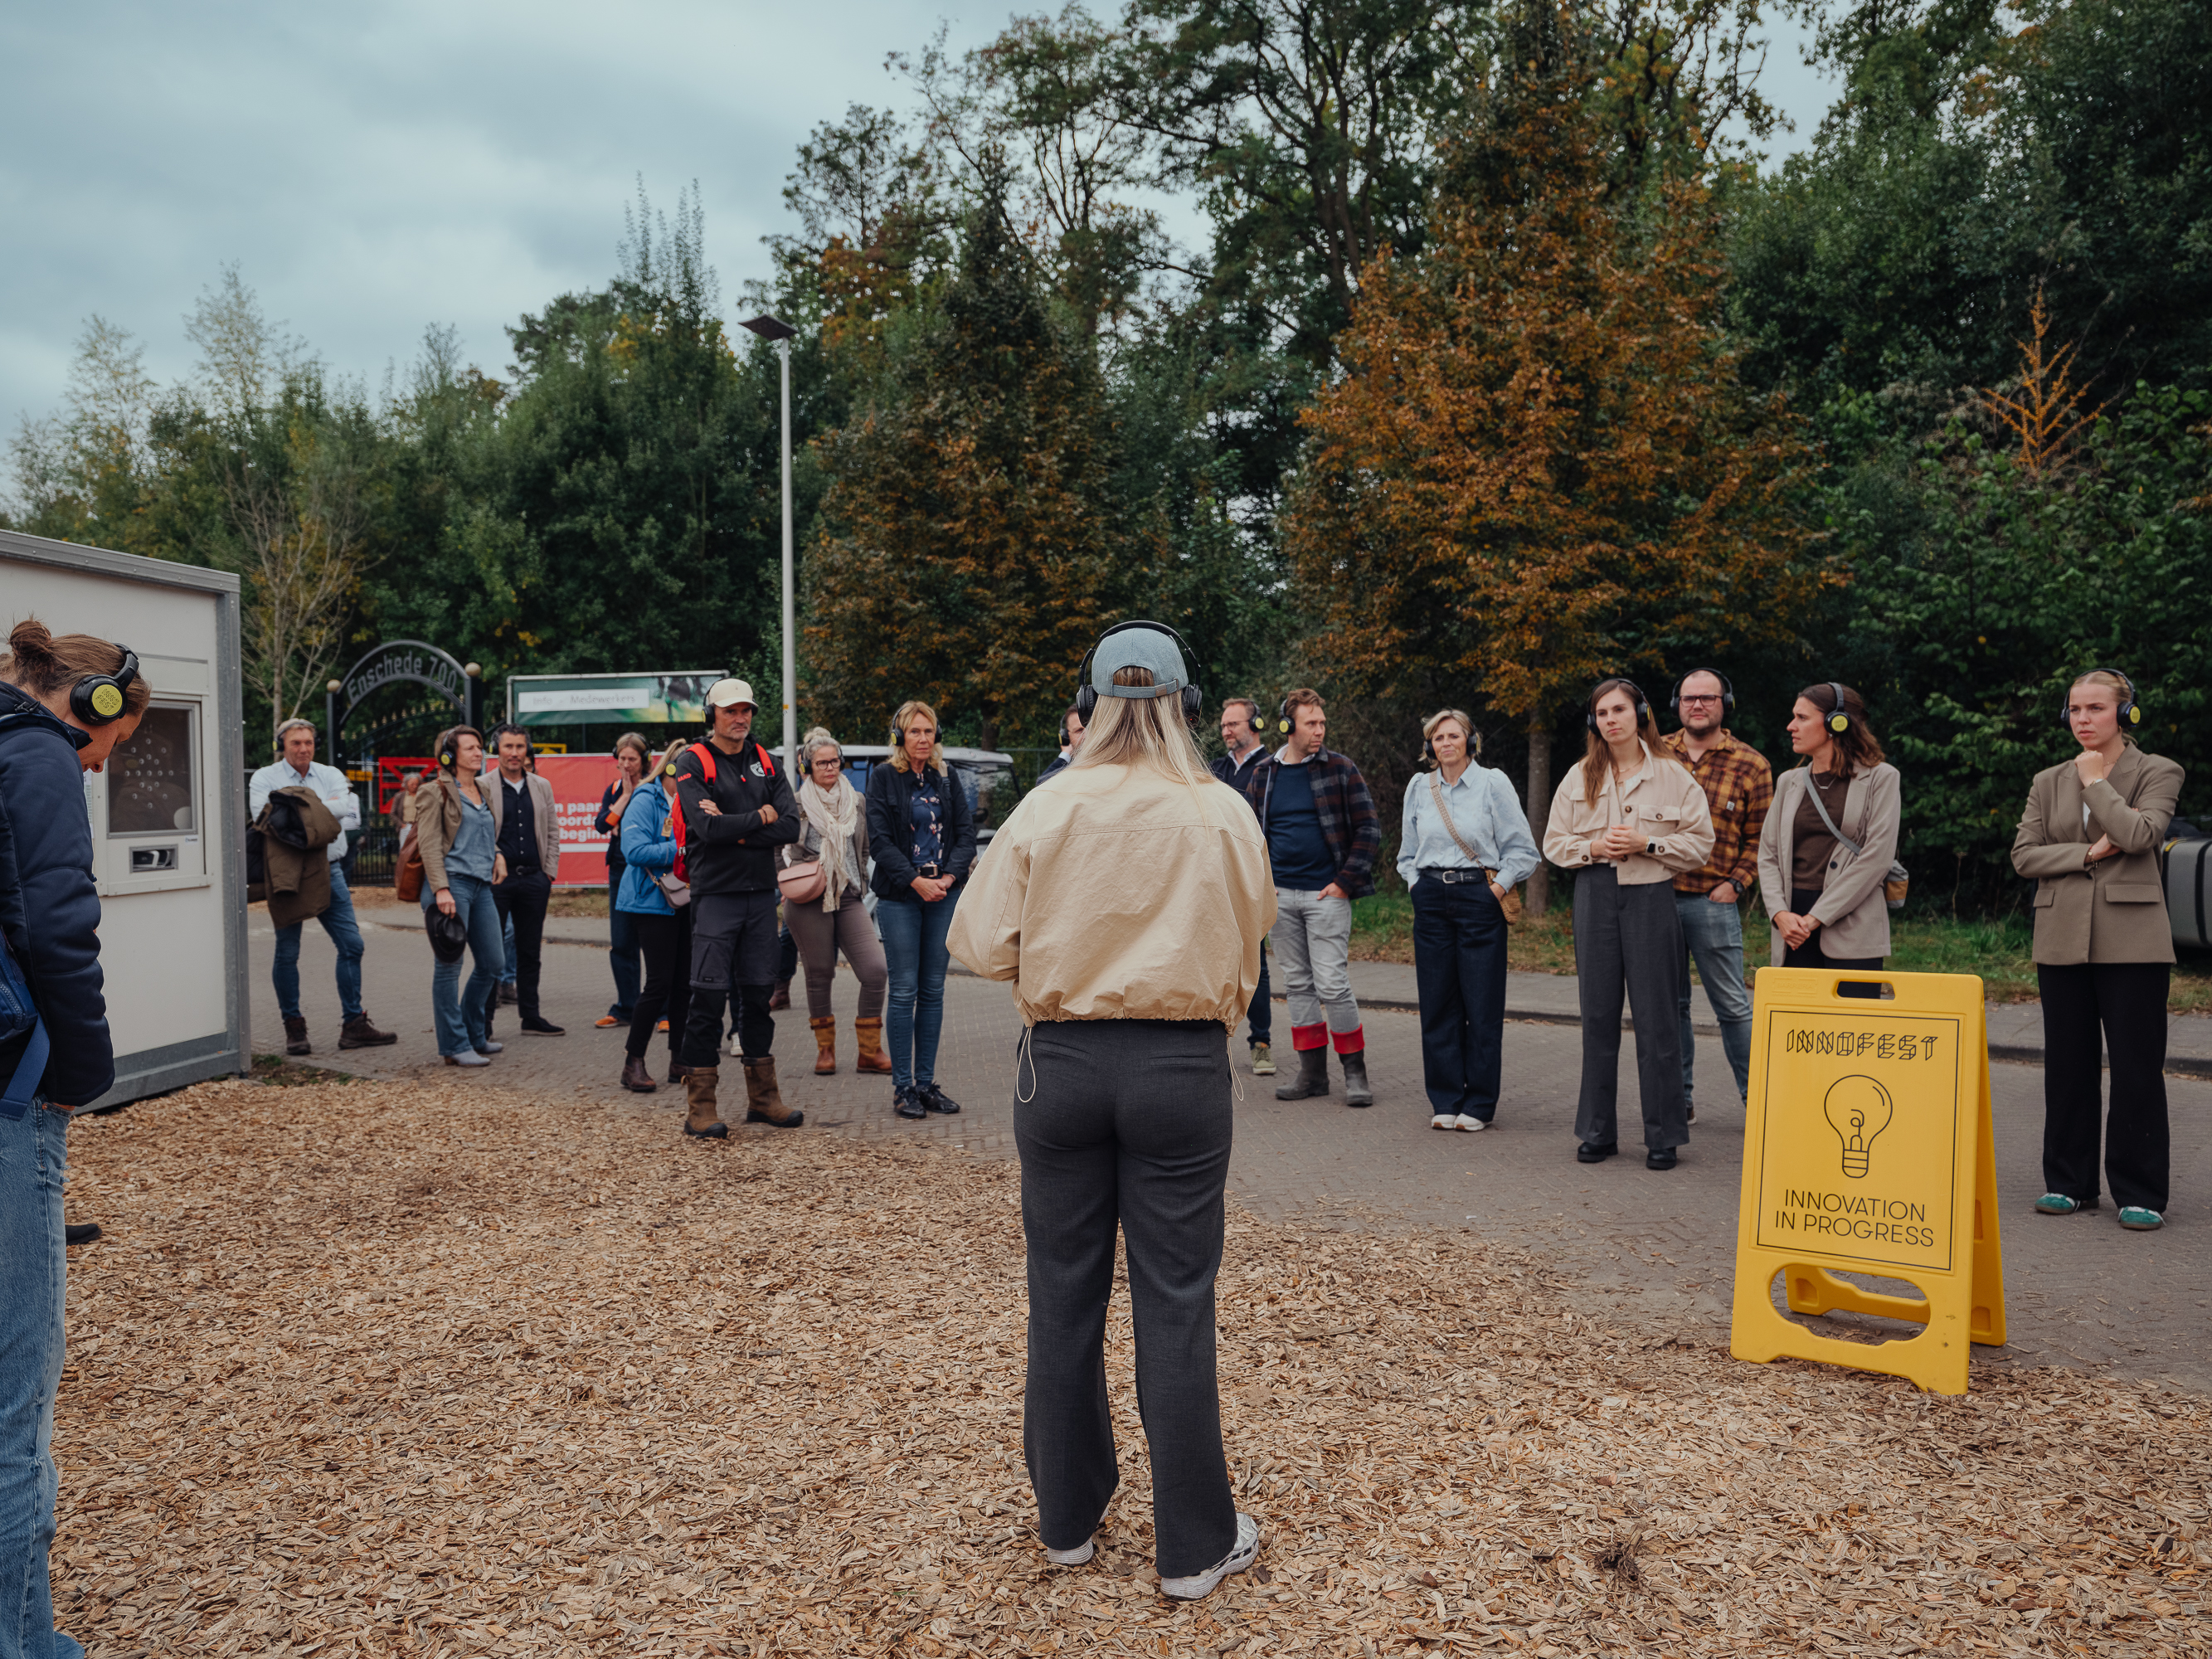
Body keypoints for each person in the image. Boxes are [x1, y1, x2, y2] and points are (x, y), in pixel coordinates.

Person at [947, 622, 1275, 1601]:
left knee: (1063, 1287)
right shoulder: (1220, 809)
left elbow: (977, 940)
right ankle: (1192, 1545)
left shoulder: (1050, 807)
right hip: (1178, 1066)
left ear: (1090, 704)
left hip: (1066, 1062)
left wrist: (1057, 954)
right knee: (1175, 1299)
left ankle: (1067, 1519)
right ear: (1180, 701)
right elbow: (1254, 926)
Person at [1, 620, 148, 1659]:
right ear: (90, 705)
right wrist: (83, 1074)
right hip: (13, 1098)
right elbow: (59, 920)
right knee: (16, 1399)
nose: (103, 765)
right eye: (113, 742)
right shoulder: (40, 757)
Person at [2011, 669, 2183, 1232]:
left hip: (2133, 940)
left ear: (2124, 714)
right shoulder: (2045, 779)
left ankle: (2139, 1192)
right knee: (2066, 1066)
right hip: (2060, 935)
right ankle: (2068, 1183)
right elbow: (2024, 856)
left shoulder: (2157, 770)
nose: (2082, 719)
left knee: (2135, 1068)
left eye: (2094, 709)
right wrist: (2085, 855)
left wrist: (2093, 783)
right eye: (2074, 710)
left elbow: (2138, 836)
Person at [1543, 679, 1714, 1169]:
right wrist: (1593, 848)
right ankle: (1597, 1131)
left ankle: (1663, 1137)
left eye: (1619, 709)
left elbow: (1701, 843)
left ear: (1640, 712)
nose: (1611, 719)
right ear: (1593, 722)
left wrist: (1650, 845)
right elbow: (1554, 843)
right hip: (1594, 896)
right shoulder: (1579, 777)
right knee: (1597, 1017)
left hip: (1650, 897)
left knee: (1657, 1020)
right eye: (1601, 713)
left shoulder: (1673, 775)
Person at [670, 679, 803, 1136]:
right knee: (706, 998)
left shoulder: (767, 761)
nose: (740, 718)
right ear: (712, 715)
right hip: (716, 896)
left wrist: (738, 826)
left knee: (757, 999)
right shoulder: (693, 760)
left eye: (746, 710)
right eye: (730, 711)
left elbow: (790, 825)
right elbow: (705, 829)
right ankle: (700, 1107)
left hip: (761, 897)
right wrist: (759, 817)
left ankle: (763, 1100)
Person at [1398, 709, 1539, 1131]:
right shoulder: (1419, 788)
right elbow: (1407, 853)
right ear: (1429, 745)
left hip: (1480, 897)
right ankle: (1445, 1099)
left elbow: (1523, 851)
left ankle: (1478, 1104)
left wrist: (1494, 890)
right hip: (1431, 898)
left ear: (1470, 741)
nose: (1446, 742)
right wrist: (1415, 886)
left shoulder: (1492, 783)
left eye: (1454, 735)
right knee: (1438, 1003)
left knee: (1481, 1005)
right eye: (1438, 737)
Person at [1238, 689, 1381, 1106]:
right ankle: (1312, 1074)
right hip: (1281, 897)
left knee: (1333, 984)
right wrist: (1265, 887)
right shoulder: (1264, 774)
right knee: (1298, 986)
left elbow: (1369, 829)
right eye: (1311, 724)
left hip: (1326, 897)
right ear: (1288, 727)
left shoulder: (1340, 769)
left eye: (1322, 723)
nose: (1319, 731)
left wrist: (1344, 882)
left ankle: (1355, 1073)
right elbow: (1249, 836)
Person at [1660, 669, 1772, 1123]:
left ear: (1725, 702)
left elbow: (1763, 840)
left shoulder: (1752, 764)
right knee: (1671, 1006)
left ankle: (1759, 1103)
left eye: (1708, 698)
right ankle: (1677, 1100)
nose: (1698, 706)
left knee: (1732, 1006)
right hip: (1656, 898)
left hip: (1713, 900)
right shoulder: (1655, 755)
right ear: (1677, 704)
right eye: (1689, 699)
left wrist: (1736, 885)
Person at [248, 718, 396, 1055]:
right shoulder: (265, 777)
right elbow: (266, 818)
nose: (303, 748)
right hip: (288, 873)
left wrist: (294, 808)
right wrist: (319, 809)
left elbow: (347, 810)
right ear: (282, 745)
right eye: (296, 743)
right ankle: (294, 1028)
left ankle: (353, 1025)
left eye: (308, 743)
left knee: (352, 945)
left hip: (331, 870)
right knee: (288, 952)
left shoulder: (330, 773)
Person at [1756, 683, 1902, 1003]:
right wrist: (1780, 913)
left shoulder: (1881, 778)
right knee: (1799, 1035)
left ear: (1837, 722)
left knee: (1851, 1035)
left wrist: (1815, 918)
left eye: (1801, 718)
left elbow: (1877, 858)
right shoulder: (1788, 781)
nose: (1790, 726)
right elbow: (1768, 855)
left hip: (1851, 921)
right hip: (1792, 926)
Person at [868, 700, 977, 1119]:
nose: (922, 739)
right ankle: (903, 1088)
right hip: (901, 895)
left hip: (942, 892)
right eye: (914, 731)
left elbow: (965, 835)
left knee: (933, 991)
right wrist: (916, 881)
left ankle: (927, 1083)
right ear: (899, 736)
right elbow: (879, 841)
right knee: (904, 991)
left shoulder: (946, 779)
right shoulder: (883, 778)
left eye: (928, 732)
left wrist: (947, 880)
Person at [785, 727, 891, 1077]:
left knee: (876, 970)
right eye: (821, 763)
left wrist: (857, 878)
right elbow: (778, 850)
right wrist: (788, 880)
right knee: (819, 973)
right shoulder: (797, 804)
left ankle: (869, 1052)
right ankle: (825, 1050)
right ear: (807, 766)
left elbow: (863, 847)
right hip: (809, 898)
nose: (830, 768)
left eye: (835, 761)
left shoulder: (856, 800)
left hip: (847, 897)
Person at [412, 726, 508, 1067]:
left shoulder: (483, 788)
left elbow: (486, 831)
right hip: (451, 886)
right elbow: (428, 843)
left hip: (482, 885)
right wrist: (441, 888)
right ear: (449, 756)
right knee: (449, 967)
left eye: (480, 747)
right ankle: (454, 1044)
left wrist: (497, 854)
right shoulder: (433, 791)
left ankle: (473, 1033)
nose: (478, 752)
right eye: (470, 748)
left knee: (493, 963)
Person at [614, 739, 693, 1092]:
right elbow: (633, 850)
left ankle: (679, 1060)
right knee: (659, 983)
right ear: (673, 770)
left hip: (685, 901)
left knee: (683, 984)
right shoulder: (646, 799)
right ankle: (633, 1062)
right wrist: (682, 850)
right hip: (651, 901)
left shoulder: (691, 799)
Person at [480, 723, 563, 1037]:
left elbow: (552, 831)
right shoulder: (483, 785)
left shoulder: (541, 786)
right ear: (497, 750)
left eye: (519, 747)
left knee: (530, 952)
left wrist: (548, 872)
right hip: (496, 882)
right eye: (508, 747)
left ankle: (531, 1017)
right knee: (491, 952)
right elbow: (478, 832)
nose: (514, 753)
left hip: (534, 881)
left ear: (527, 750)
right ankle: (484, 1021)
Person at [1209, 698, 1275, 1077]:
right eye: (1223, 725)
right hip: (1215, 882)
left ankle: (1261, 1043)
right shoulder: (1213, 771)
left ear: (1256, 725)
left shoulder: (1270, 769)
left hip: (1253, 882)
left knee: (1257, 965)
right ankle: (1214, 1043)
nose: (1226, 731)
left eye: (1234, 724)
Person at [594, 733, 650, 1029]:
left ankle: (664, 1011)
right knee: (622, 942)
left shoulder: (654, 786)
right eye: (622, 759)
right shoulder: (615, 789)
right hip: (619, 870)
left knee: (656, 942)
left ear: (644, 760)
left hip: (651, 871)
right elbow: (602, 824)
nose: (626, 764)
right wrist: (625, 796)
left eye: (632, 759)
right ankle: (626, 1007)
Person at [1037, 705, 1086, 783]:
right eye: (1079, 731)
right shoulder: (1070, 771)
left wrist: (1064, 755)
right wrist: (1065, 754)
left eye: (1091, 728)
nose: (1086, 735)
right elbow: (1041, 784)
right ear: (1066, 736)